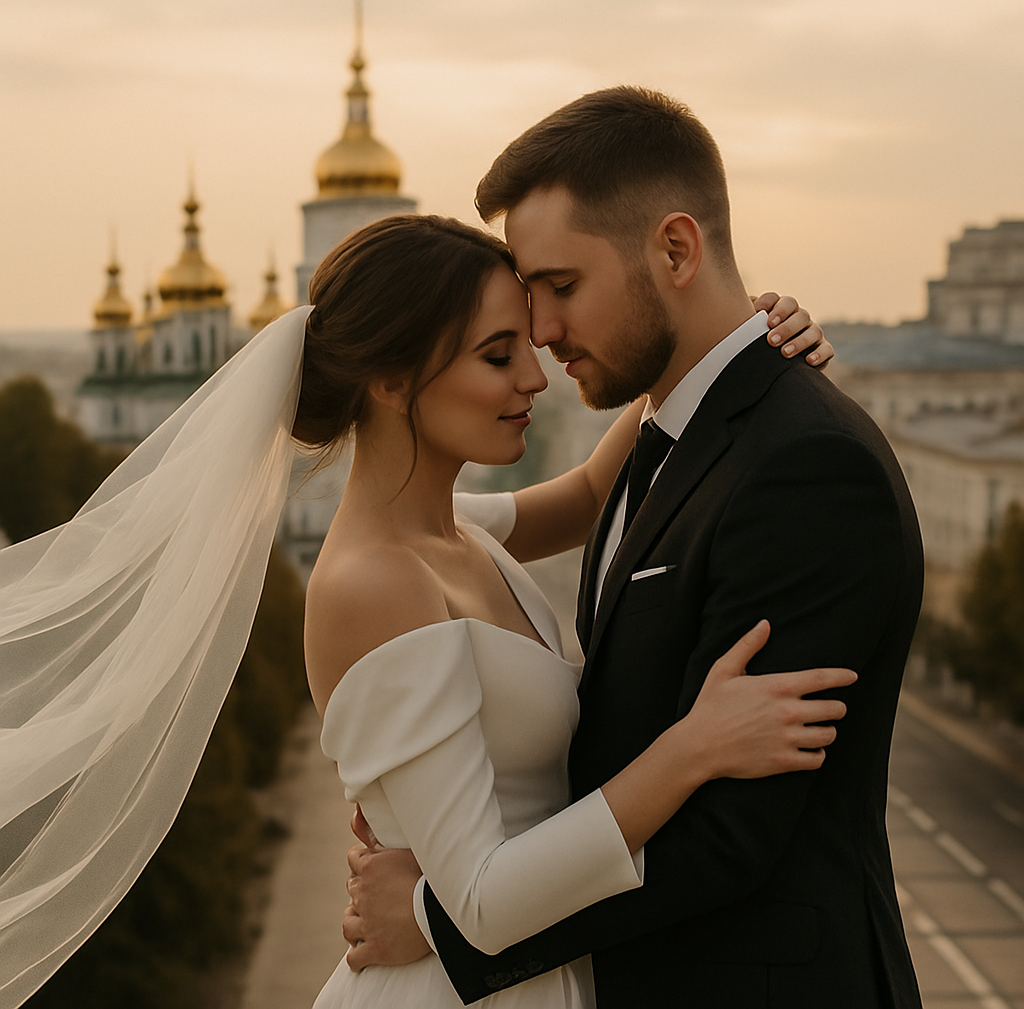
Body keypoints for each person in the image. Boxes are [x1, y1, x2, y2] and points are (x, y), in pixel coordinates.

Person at [0, 210, 835, 1009]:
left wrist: (734, 345)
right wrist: (695, 748)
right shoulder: (376, 583)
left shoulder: (453, 529)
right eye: (497, 355)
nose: (534, 377)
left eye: (527, 345)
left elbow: (589, 495)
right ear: (393, 380)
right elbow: (482, 900)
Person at [342, 89, 926, 1009]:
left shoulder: (807, 469)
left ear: (676, 250)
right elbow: (578, 497)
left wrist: (441, 924)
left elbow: (729, 839)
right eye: (519, 316)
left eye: (561, 288)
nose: (541, 336)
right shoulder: (660, 443)